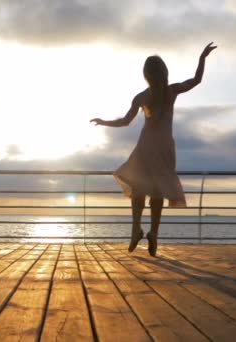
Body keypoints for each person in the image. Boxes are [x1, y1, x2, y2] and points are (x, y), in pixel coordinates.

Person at [90, 42, 217, 256]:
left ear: (146, 75)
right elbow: (196, 80)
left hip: (147, 145)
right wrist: (202, 57)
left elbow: (124, 122)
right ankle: (153, 234)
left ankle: (135, 229)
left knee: (139, 188)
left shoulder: (142, 97)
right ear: (164, 72)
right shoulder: (172, 91)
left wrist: (104, 122)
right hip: (164, 146)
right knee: (157, 191)